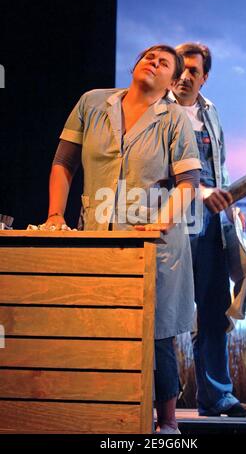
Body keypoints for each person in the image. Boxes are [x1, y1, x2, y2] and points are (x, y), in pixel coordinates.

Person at [44, 45, 201, 433]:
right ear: (135, 65)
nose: (154, 63)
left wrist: (161, 223)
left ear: (170, 82)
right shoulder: (93, 103)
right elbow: (64, 162)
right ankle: (105, 416)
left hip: (153, 245)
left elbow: (188, 184)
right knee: (100, 326)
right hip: (98, 240)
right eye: (149, 56)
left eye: (164, 63)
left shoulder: (174, 118)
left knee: (157, 333)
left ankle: (166, 425)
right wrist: (54, 216)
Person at [171, 42, 246, 417]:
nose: (185, 76)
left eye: (193, 70)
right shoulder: (158, 111)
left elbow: (218, 168)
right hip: (171, 221)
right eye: (180, 68)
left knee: (213, 309)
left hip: (208, 224)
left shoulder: (211, 113)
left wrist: (231, 209)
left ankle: (217, 397)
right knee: (164, 314)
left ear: (205, 77)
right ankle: (153, 402)